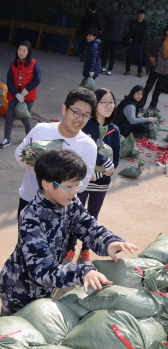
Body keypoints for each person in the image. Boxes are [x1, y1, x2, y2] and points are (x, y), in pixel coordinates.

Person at [0, 149, 137, 316]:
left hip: (46, 289)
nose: (74, 192)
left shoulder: (70, 203)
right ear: (47, 184)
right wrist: (82, 272)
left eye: (77, 185)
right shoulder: (31, 217)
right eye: (69, 186)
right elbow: (42, 270)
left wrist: (109, 242)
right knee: (13, 332)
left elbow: (88, 226)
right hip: (19, 291)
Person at [15, 87, 97, 221]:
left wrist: (57, 174)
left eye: (86, 115)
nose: (80, 119)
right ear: (64, 109)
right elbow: (19, 152)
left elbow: (83, 183)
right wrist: (29, 161)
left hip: (62, 209)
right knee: (26, 241)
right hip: (29, 201)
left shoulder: (88, 145)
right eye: (76, 112)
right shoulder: (41, 130)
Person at [66, 88, 120, 265]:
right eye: (104, 102)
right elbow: (81, 151)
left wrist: (99, 174)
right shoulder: (86, 127)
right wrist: (91, 172)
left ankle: (85, 251)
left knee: (92, 218)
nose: (108, 106)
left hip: (101, 184)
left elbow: (116, 161)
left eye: (111, 102)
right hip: (82, 182)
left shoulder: (114, 130)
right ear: (95, 105)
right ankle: (69, 250)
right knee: (76, 217)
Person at [0, 40, 41, 149]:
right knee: (10, 117)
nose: (21, 52)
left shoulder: (33, 64)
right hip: (14, 96)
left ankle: (29, 138)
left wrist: (26, 90)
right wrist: (17, 94)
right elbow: (10, 82)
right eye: (19, 50)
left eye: (24, 50)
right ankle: (6, 139)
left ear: (28, 52)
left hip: (28, 97)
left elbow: (37, 80)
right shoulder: (13, 65)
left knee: (24, 117)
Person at [141, 26, 168, 112]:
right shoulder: (158, 40)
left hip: (166, 70)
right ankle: (141, 104)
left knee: (159, 89)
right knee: (148, 87)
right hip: (156, 67)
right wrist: (150, 58)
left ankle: (153, 105)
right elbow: (146, 48)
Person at [101, 3, 127, 75]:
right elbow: (124, 27)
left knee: (105, 52)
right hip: (117, 38)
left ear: (117, 8)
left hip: (109, 36)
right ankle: (110, 69)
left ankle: (103, 66)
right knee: (113, 54)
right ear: (123, 9)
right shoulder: (125, 17)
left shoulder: (112, 15)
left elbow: (107, 24)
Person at [125, 10, 148, 77]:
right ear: (137, 15)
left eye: (142, 15)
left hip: (140, 43)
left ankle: (140, 71)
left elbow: (144, 32)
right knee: (129, 56)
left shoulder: (145, 23)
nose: (141, 16)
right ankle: (127, 70)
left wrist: (136, 30)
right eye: (140, 14)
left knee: (140, 58)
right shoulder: (133, 22)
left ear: (144, 16)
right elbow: (130, 31)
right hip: (132, 41)